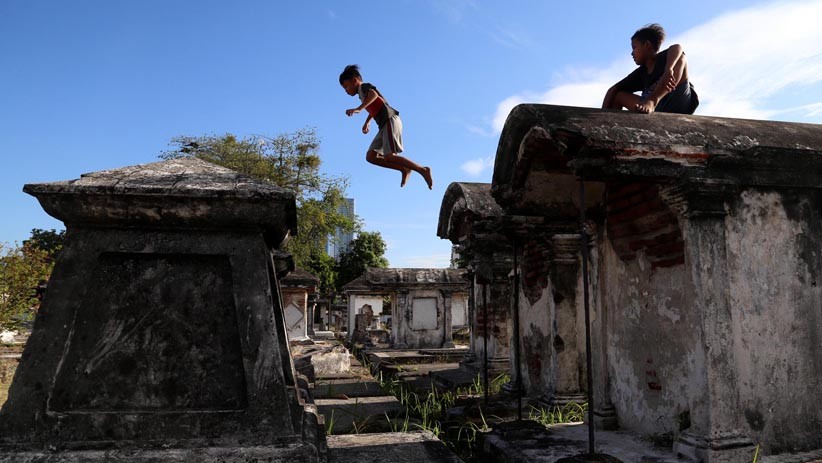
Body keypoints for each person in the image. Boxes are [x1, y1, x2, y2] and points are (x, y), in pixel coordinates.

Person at [339, 64, 433, 189]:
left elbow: (374, 96)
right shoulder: (362, 95)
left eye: (346, 86)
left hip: (390, 120)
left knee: (389, 156)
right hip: (383, 125)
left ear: (355, 80)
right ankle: (404, 169)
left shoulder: (364, 87)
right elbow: (378, 104)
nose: (346, 90)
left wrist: (358, 109)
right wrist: (367, 122)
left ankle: (422, 169)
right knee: (371, 156)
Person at [602, 24, 698, 115]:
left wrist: (669, 69)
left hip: (678, 104)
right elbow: (613, 89)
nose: (632, 53)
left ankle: (653, 100)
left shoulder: (664, 58)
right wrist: (601, 118)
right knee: (618, 96)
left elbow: (677, 47)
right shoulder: (640, 73)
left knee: (681, 59)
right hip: (654, 109)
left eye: (634, 47)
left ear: (647, 44)